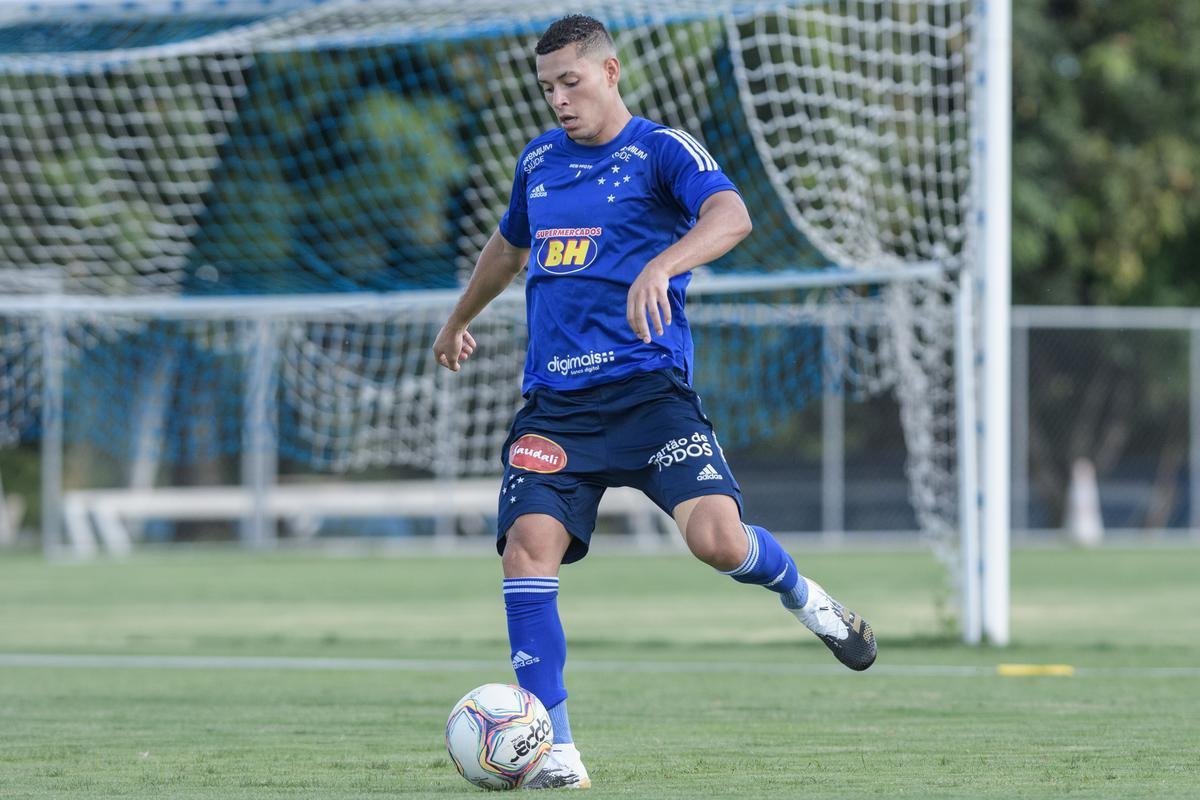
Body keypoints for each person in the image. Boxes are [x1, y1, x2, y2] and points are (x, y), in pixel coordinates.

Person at [433, 14, 876, 789]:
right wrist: (459, 317)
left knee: (716, 540)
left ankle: (808, 600)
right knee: (526, 547)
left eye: (570, 82)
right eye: (546, 88)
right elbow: (507, 248)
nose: (559, 101)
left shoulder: (660, 151)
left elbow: (731, 215)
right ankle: (557, 750)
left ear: (610, 72)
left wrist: (661, 267)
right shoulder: (538, 161)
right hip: (557, 408)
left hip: (650, 396)